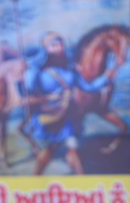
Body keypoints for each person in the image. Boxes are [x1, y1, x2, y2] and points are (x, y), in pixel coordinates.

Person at [24, 32, 114, 175]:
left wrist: (105, 78)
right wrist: (32, 69)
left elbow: (87, 86)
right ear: (46, 49)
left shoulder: (70, 69)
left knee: (72, 149)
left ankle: (81, 179)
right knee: (49, 150)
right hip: (51, 115)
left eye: (60, 45)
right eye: (53, 45)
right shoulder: (38, 71)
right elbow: (29, 88)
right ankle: (35, 178)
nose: (58, 48)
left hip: (69, 116)